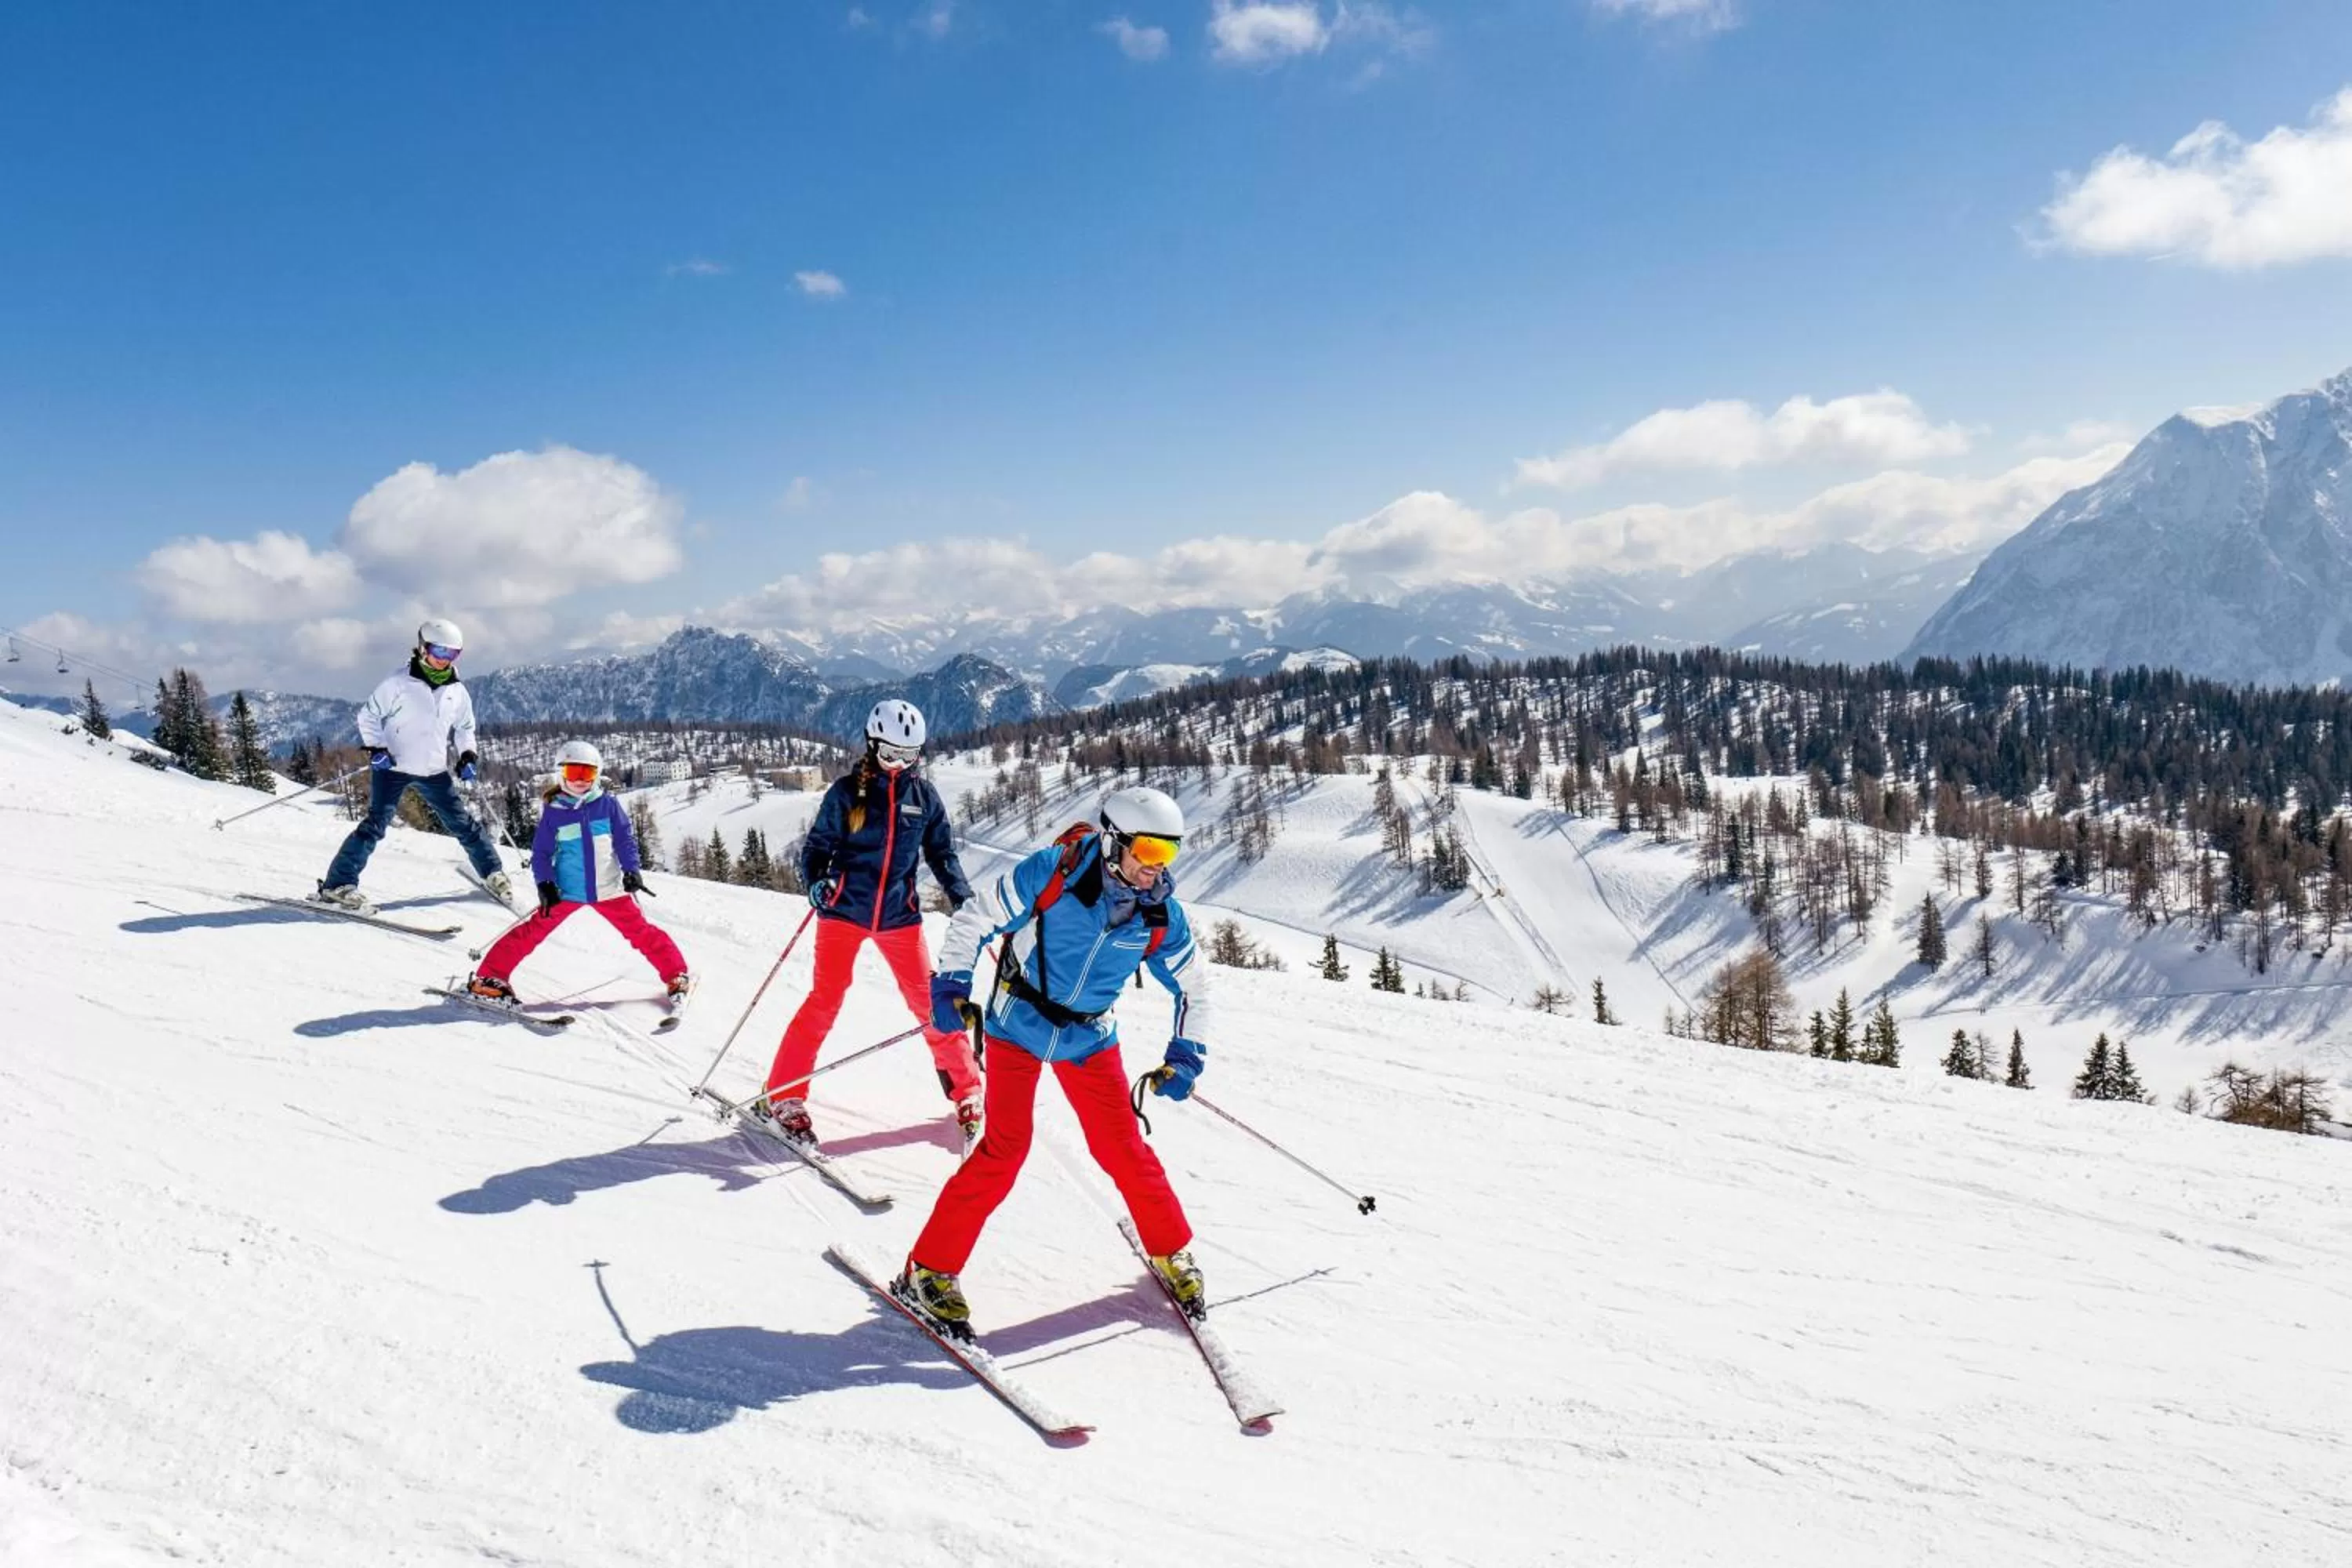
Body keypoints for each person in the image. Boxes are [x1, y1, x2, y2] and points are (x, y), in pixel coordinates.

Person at [897, 785, 1213, 1339]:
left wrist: (1186, 1052)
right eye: (1149, 852)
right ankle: (929, 1269)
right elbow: (977, 917)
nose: (1156, 869)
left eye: (1169, 855)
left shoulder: (1161, 914)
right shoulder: (1053, 873)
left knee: (1123, 1147)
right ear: (1114, 841)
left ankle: (1171, 1251)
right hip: (1016, 1024)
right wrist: (951, 982)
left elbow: (1194, 988)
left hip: (1089, 1036)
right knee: (1005, 1148)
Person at [747, 699, 980, 1145]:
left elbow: (942, 855)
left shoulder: (924, 797)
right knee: (825, 1000)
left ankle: (968, 1090)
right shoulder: (846, 792)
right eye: (891, 754)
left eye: (909, 757)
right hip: (843, 912)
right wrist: (816, 881)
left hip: (899, 916)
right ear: (873, 746)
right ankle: (782, 1096)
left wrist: (963, 900)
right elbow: (816, 849)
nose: (899, 765)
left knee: (932, 1004)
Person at [465, 741, 690, 1003]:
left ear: (596, 776)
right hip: (567, 891)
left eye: (587, 774)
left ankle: (676, 975)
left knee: (641, 932)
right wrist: (545, 883)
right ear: (562, 774)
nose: (580, 781)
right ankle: (490, 978)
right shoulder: (555, 813)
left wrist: (631, 870)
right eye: (574, 773)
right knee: (531, 933)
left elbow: (625, 840)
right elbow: (541, 854)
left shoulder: (608, 805)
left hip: (609, 889)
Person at [318, 618, 510, 911]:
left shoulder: (457, 691)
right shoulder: (398, 683)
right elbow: (367, 716)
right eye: (438, 652)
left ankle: (492, 873)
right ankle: (338, 885)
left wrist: (467, 754)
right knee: (375, 826)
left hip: (433, 770)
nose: (444, 660)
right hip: (393, 768)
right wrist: (376, 748)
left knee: (463, 824)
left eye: (452, 654)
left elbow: (465, 728)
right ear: (422, 648)